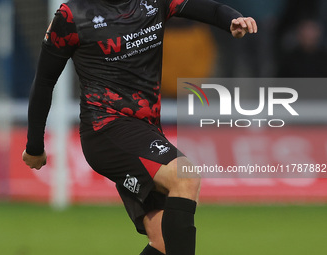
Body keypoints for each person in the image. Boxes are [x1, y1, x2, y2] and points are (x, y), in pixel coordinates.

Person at [22, 0, 257, 254]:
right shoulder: (72, 15)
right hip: (105, 130)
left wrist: (232, 19)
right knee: (185, 176)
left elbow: (206, 8)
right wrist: (35, 145)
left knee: (164, 243)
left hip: (145, 131)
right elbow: (45, 81)